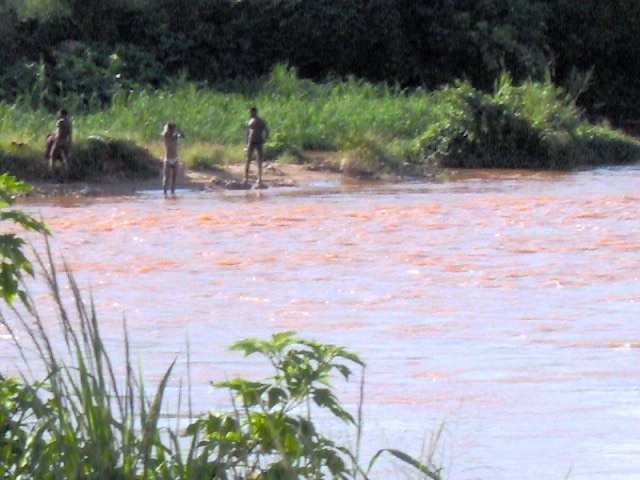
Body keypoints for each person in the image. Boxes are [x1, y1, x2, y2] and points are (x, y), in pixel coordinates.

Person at [244, 107, 269, 188]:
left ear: (254, 112)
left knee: (254, 161)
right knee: (253, 161)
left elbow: (266, 131)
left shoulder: (256, 121)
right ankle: (251, 179)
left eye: (251, 113)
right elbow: (248, 134)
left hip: (256, 143)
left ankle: (254, 179)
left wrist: (264, 139)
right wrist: (246, 144)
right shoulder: (254, 121)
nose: (250, 114)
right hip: (255, 143)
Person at [162, 123, 185, 196]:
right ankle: (165, 193)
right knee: (166, 177)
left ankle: (173, 192)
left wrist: (179, 130)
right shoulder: (166, 137)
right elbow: (164, 133)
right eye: (171, 129)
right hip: (167, 159)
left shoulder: (175, 136)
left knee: (174, 178)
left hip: (175, 158)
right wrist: (167, 127)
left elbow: (183, 136)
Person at [48, 108, 72, 173]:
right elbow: (70, 135)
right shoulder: (69, 123)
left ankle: (53, 173)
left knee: (52, 156)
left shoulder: (60, 122)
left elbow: (59, 133)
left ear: (61, 114)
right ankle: (65, 173)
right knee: (65, 160)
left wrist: (54, 138)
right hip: (66, 141)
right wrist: (70, 144)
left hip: (59, 141)